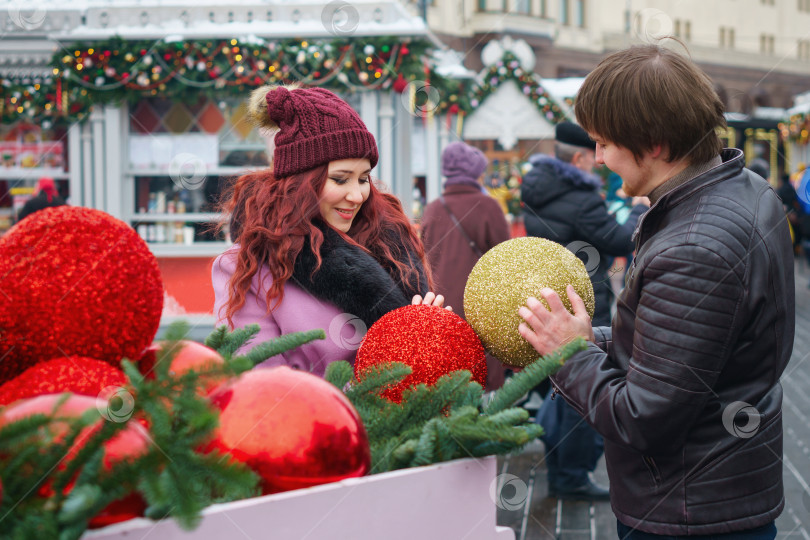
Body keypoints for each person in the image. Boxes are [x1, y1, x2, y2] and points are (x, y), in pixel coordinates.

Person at [517, 44, 794, 538]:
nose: (598, 158)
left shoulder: (693, 246)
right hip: (725, 491)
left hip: (687, 510)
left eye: (605, 143)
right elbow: (683, 354)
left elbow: (642, 420)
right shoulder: (746, 188)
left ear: (655, 143)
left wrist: (570, 354)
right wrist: (589, 337)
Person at [213, 84, 445, 377]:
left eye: (363, 179)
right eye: (340, 179)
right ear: (300, 183)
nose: (358, 195)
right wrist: (379, 382)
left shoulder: (389, 247)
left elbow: (425, 378)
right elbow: (260, 388)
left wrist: (434, 336)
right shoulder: (247, 267)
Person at [520, 121, 648, 502]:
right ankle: (572, 474)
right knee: (581, 392)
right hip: (581, 302)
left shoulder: (539, 191)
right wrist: (640, 212)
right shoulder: (581, 197)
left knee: (559, 386)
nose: (597, 162)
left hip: (549, 298)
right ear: (576, 159)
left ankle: (561, 463)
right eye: (591, 157)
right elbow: (619, 239)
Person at [420, 141, 511, 390]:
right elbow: (506, 258)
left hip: (441, 304)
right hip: (480, 305)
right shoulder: (488, 206)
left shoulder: (433, 208)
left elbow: (423, 256)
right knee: (481, 374)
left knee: (446, 375)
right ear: (474, 174)